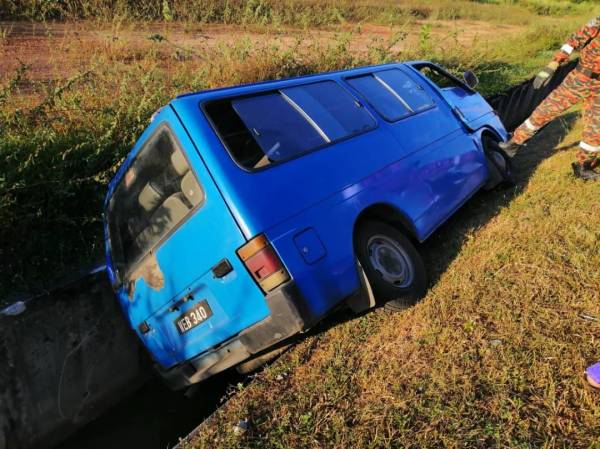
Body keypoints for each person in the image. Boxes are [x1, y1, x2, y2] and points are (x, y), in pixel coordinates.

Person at [500, 16, 599, 181]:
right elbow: (574, 41)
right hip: (579, 80)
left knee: (596, 129)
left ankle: (583, 166)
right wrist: (554, 63)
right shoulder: (598, 22)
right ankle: (513, 144)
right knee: (546, 111)